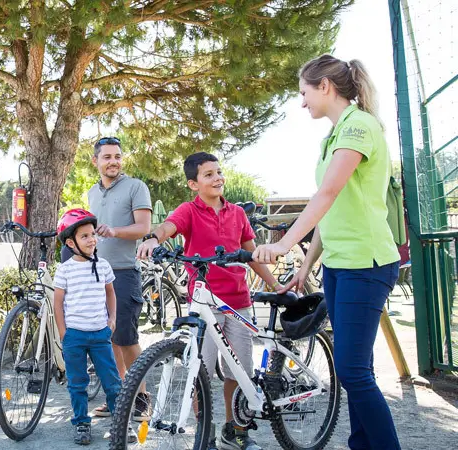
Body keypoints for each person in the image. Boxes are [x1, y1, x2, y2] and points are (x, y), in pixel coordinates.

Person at [252, 54, 402, 450]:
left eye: (304, 93)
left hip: (365, 264)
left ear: (325, 87)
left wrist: (284, 244)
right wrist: (306, 263)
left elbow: (328, 192)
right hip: (339, 266)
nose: (302, 103)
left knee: (353, 372)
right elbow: (330, 209)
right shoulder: (332, 137)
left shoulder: (360, 127)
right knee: (356, 369)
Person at [137, 152, 280, 450]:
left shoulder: (238, 214)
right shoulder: (189, 211)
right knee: (198, 370)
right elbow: (168, 228)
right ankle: (206, 433)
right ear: (193, 184)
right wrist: (153, 238)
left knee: (238, 371)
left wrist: (276, 284)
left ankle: (235, 430)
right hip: (203, 304)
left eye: (218, 172)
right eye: (208, 175)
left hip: (238, 302)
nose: (217, 178)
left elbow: (252, 256)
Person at [68, 136, 152, 420]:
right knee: (108, 340)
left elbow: (143, 227)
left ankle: (141, 399)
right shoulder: (92, 192)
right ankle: (117, 396)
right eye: (107, 157)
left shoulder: (135, 187)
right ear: (96, 161)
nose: (113, 161)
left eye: (117, 156)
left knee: (127, 339)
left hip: (124, 272)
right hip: (96, 275)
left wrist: (115, 231)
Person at [53, 209, 130, 445]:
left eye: (92, 234)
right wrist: (64, 333)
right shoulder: (65, 269)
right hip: (74, 336)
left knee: (112, 382)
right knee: (77, 383)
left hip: (100, 334)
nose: (91, 239)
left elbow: (110, 293)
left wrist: (112, 320)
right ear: (71, 242)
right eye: (84, 236)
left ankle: (119, 425)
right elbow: (58, 303)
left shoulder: (104, 265)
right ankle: (81, 424)